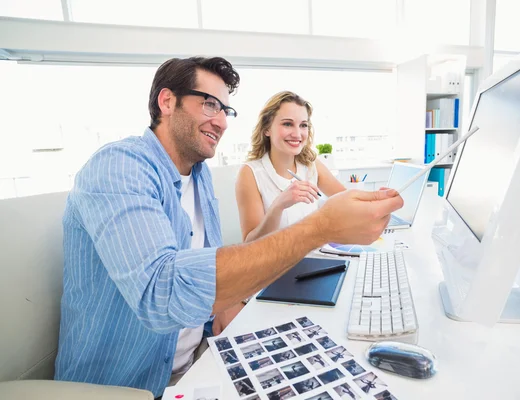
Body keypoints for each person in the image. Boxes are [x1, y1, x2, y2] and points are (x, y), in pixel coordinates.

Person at [54, 56, 403, 398]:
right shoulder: (119, 166)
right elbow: (162, 296)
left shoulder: (200, 175)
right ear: (167, 101)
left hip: (199, 358)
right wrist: (319, 227)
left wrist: (228, 306)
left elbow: (209, 260)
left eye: (225, 110)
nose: (221, 121)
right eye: (209, 105)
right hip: (130, 384)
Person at [236, 91, 347, 242]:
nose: (297, 134)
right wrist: (278, 206)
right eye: (287, 124)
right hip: (277, 264)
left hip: (315, 258)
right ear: (266, 129)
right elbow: (250, 244)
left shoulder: (312, 165)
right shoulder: (250, 173)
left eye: (303, 125)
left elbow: (347, 201)